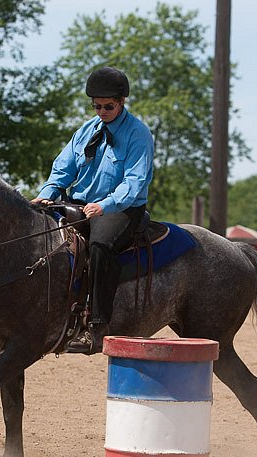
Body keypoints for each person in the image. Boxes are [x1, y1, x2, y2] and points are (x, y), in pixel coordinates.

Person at [32, 67, 154, 354]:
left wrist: (105, 205)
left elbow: (135, 182)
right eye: (96, 106)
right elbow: (63, 168)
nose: (102, 111)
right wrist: (46, 194)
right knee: (41, 236)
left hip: (120, 208)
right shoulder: (87, 131)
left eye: (108, 106)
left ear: (122, 102)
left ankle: (97, 325)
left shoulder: (138, 134)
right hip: (80, 203)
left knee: (100, 245)